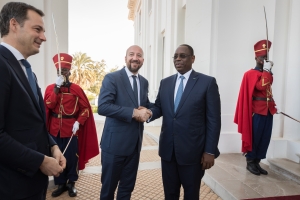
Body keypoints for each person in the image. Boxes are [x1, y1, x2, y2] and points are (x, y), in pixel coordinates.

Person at [0, 2, 66, 199]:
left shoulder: (26, 70)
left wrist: (52, 146)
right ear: (14, 24)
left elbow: (34, 121)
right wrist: (40, 161)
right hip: (11, 186)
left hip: (31, 184)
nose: (44, 37)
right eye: (37, 29)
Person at [149, 44, 221, 200]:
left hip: (193, 153)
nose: (178, 59)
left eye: (182, 56)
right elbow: (159, 108)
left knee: (191, 195)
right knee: (170, 194)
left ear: (192, 58)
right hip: (168, 152)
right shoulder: (165, 83)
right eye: (175, 56)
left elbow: (214, 120)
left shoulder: (207, 83)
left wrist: (210, 151)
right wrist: (146, 113)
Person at [98, 45, 152, 200]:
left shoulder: (144, 82)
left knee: (127, 189)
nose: (135, 58)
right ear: (125, 58)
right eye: (131, 54)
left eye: (139, 55)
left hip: (134, 147)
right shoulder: (112, 78)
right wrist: (134, 113)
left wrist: (149, 111)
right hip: (114, 146)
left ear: (142, 60)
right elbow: (103, 106)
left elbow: (145, 104)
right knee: (108, 190)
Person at [44, 53, 99, 197]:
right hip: (55, 129)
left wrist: (78, 122)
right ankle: (60, 183)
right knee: (57, 156)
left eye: (64, 71)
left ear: (69, 72)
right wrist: (57, 87)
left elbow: (85, 109)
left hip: (71, 129)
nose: (62, 74)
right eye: (59, 72)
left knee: (71, 156)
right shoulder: (51, 89)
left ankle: (71, 183)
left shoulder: (76, 89)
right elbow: (49, 105)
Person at [234, 40, 277, 176]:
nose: (263, 60)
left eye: (266, 57)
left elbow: (268, 91)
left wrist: (273, 105)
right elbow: (260, 86)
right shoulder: (250, 74)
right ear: (256, 58)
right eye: (261, 57)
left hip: (268, 110)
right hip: (256, 111)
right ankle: (250, 162)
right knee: (255, 137)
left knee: (265, 137)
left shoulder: (267, 73)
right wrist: (266, 71)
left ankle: (257, 161)